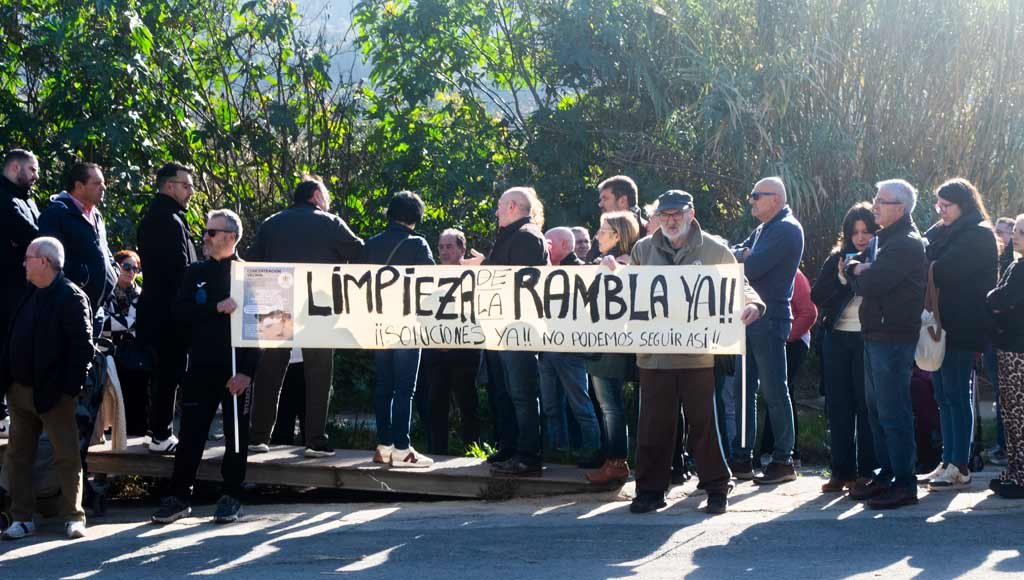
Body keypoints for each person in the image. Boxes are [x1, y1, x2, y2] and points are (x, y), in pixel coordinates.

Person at [623, 190, 764, 514]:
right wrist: (607, 273)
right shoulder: (643, 249)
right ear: (657, 217)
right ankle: (649, 490)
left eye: (677, 214)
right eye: (665, 214)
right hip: (654, 353)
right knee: (653, 425)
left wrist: (753, 303)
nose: (671, 220)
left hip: (698, 352)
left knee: (704, 424)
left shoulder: (714, 249)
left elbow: (739, 284)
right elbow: (627, 291)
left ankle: (716, 487)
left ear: (691, 214)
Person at [151, 209, 261, 525]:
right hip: (200, 367)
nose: (206, 238)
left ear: (231, 237)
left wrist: (248, 372)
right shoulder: (194, 272)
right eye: (206, 232)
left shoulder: (249, 275)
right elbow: (179, 314)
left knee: (235, 435)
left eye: (212, 233)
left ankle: (231, 496)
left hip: (236, 369)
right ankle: (179, 496)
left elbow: (265, 325)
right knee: (191, 434)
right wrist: (214, 307)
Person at [248, 176, 364, 458]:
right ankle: (315, 440)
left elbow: (251, 261)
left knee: (269, 371)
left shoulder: (271, 223)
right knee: (319, 372)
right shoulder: (330, 222)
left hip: (276, 299)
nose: (328, 202)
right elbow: (360, 251)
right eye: (325, 195)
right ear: (314, 195)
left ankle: (258, 436)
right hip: (318, 304)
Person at [0, 237, 93, 540]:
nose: (23, 262)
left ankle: (74, 516)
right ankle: (21, 517)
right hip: (19, 391)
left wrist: (68, 389)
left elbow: (82, 349)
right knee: (17, 456)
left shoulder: (71, 296)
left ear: (44, 261)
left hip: (55, 394)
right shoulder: (27, 293)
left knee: (65, 455)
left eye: (28, 257)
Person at [845, 179, 927, 510]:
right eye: (875, 199)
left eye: (882, 201)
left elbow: (871, 283)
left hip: (893, 337)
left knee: (894, 412)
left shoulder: (906, 242)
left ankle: (905, 483)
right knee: (878, 410)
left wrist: (855, 268)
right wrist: (860, 268)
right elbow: (864, 278)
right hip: (876, 334)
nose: (874, 205)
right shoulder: (885, 240)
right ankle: (887, 475)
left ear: (901, 208)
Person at [464, 187, 549, 476]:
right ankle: (511, 447)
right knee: (505, 391)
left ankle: (528, 455)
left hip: (519, 329)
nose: (497, 211)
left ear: (512, 206)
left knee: (522, 392)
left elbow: (521, 281)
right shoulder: (514, 234)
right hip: (502, 327)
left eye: (500, 206)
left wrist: (483, 266)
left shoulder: (526, 235)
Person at [922, 178, 998, 491]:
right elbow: (922, 251)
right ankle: (947, 459)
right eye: (938, 204)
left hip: (962, 325)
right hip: (941, 324)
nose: (940, 210)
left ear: (962, 204)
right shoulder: (943, 230)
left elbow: (942, 269)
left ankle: (959, 464)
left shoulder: (978, 234)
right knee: (942, 395)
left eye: (946, 205)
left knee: (955, 394)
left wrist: (925, 261)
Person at [729, 177, 804, 484]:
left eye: (756, 195)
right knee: (743, 390)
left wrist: (744, 255)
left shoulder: (786, 228)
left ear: (775, 199)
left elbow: (751, 266)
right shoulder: (765, 228)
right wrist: (742, 254)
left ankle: (784, 459)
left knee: (774, 390)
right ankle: (742, 457)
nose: (751, 200)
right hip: (749, 317)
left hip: (770, 317)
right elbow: (737, 254)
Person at [362, 191, 435, 467]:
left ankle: (383, 445)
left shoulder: (371, 244)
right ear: (416, 216)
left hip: (379, 322)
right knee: (405, 388)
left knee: (384, 386)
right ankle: (403, 448)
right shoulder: (418, 244)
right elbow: (430, 285)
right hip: (407, 323)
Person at [811, 202, 879, 492]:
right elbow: (817, 295)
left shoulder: (882, 259)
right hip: (837, 337)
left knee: (866, 407)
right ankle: (841, 471)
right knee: (838, 406)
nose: (861, 237)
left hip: (868, 338)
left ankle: (867, 471)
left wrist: (861, 272)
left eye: (866, 231)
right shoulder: (836, 259)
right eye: (855, 232)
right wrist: (842, 277)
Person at [136, 162, 199, 454]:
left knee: (165, 373)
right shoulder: (167, 220)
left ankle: (157, 431)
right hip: (169, 312)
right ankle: (161, 434)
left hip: (161, 309)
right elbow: (180, 268)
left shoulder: (163, 217)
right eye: (186, 186)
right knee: (169, 372)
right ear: (170, 186)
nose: (191, 192)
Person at [584, 211, 641, 485]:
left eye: (602, 231)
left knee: (610, 406)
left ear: (617, 236)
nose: (597, 236)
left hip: (612, 344)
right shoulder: (605, 262)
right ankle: (613, 459)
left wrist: (617, 271)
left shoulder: (625, 264)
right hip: (603, 342)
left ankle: (617, 462)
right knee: (609, 405)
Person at [538, 227, 602, 466]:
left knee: (581, 405)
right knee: (551, 406)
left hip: (571, 350)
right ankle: (558, 451)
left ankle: (592, 451)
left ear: (564, 244)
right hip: (546, 348)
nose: (543, 247)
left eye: (548, 243)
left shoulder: (581, 272)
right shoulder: (542, 270)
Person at [421, 229, 481, 455]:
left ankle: (472, 452)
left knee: (468, 405)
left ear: (462, 249)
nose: (444, 251)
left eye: (449, 246)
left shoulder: (475, 276)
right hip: (435, 354)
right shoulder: (428, 276)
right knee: (436, 406)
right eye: (441, 247)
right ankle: (436, 452)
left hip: (465, 353)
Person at [38, 162, 117, 326]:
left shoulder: (96, 215)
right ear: (79, 186)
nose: (103, 188)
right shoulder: (57, 213)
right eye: (97, 183)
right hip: (68, 309)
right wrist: (83, 277)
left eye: (103, 183)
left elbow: (104, 250)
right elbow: (47, 259)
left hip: (96, 309)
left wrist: (113, 270)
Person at [0, 149, 41, 437]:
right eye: (32, 170)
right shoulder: (4, 199)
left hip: (23, 286)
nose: (36, 176)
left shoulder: (27, 199)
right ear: (15, 168)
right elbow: (32, 234)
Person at [760, 269, 817, 467]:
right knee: (781, 392)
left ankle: (776, 452)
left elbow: (809, 312)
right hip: (771, 339)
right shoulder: (761, 271)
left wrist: (786, 336)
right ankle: (788, 452)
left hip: (793, 339)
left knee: (778, 391)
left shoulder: (794, 273)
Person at [987, 214, 1024, 498]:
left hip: (1016, 351)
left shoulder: (1020, 267)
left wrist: (991, 297)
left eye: (1021, 232)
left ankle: (1020, 477)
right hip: (1011, 346)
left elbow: (1000, 298)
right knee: (1010, 414)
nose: (1015, 236)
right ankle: (1013, 473)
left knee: (1016, 415)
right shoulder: (1016, 265)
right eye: (1016, 231)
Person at [102, 250, 148, 436]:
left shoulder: (141, 295)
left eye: (135, 269)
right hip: (109, 354)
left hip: (135, 357)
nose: (131, 272)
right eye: (127, 267)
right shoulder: (106, 293)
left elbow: (138, 324)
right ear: (117, 266)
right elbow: (102, 323)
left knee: (135, 399)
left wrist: (118, 321)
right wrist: (127, 324)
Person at [987, 215, 1016, 464]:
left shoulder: (1015, 264)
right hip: (999, 339)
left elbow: (998, 299)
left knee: (1011, 400)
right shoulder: (995, 259)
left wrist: (991, 297)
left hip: (1014, 345)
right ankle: (1004, 448)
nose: (1002, 236)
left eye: (1007, 232)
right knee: (1004, 398)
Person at [586, 176, 647, 260]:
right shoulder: (603, 232)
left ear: (622, 201)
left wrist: (633, 263)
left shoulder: (648, 233)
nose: (600, 204)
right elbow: (589, 264)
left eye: (605, 199)